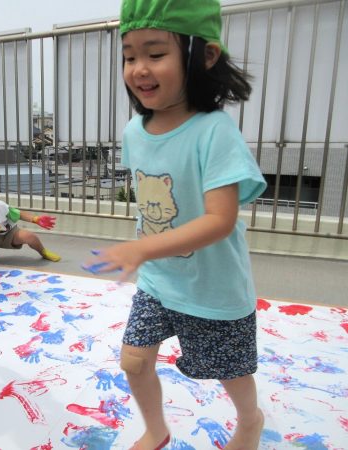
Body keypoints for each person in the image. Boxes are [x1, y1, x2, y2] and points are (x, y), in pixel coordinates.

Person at [84, 1, 267, 448]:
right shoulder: (134, 131)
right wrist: (146, 253)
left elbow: (220, 220)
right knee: (133, 360)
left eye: (155, 53)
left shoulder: (214, 130)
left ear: (205, 56)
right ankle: (156, 428)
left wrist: (141, 248)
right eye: (129, 56)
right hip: (159, 280)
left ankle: (250, 421)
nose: (139, 68)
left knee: (230, 372)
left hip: (213, 287)